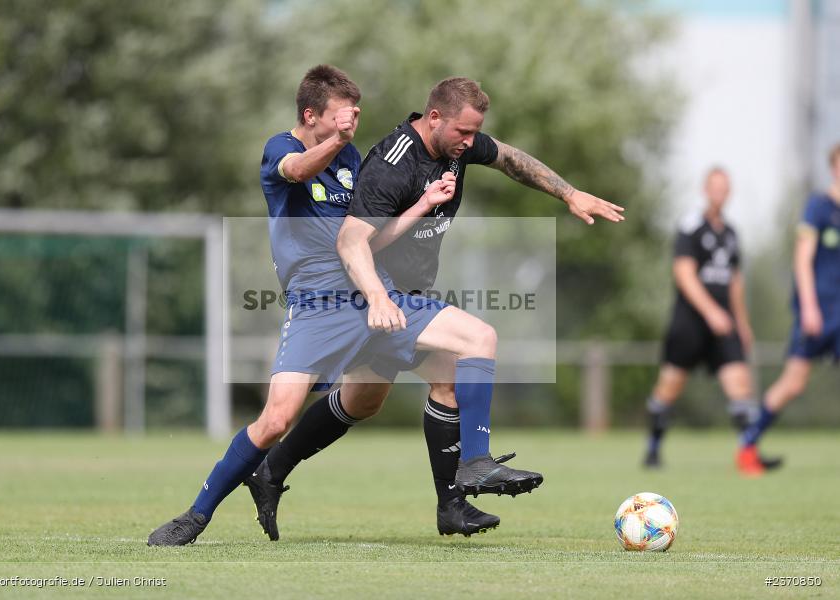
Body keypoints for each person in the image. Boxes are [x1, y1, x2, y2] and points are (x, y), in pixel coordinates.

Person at [147, 66, 528, 546]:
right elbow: (298, 171)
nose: (352, 122)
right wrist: (335, 142)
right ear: (311, 115)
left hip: (374, 290)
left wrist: (421, 204)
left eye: (355, 115)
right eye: (342, 115)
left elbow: (367, 237)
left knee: (471, 344)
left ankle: (471, 470)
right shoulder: (280, 149)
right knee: (276, 420)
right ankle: (196, 516)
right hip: (316, 304)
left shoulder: (349, 156)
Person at [245, 76, 625, 540]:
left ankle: (274, 472)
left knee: (367, 400)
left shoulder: (456, 147)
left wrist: (568, 193)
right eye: (463, 132)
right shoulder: (392, 162)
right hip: (370, 299)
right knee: (465, 352)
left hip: (405, 298)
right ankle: (469, 474)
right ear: (435, 117)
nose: (470, 142)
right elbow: (354, 241)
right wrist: (380, 298)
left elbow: (508, 157)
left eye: (474, 133)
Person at [641, 167, 779, 469]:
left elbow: (735, 282)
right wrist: (711, 311)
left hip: (724, 324)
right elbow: (684, 274)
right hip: (690, 322)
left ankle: (748, 456)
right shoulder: (691, 226)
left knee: (740, 385)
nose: (720, 192)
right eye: (715, 187)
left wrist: (741, 322)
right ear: (705, 190)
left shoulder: (730, 233)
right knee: (669, 388)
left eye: (725, 188)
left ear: (729, 192)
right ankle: (652, 450)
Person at [737, 144, 840, 475]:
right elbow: (803, 258)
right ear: (833, 167)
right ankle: (748, 445)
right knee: (793, 384)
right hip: (819, 311)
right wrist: (809, 306)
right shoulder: (819, 206)